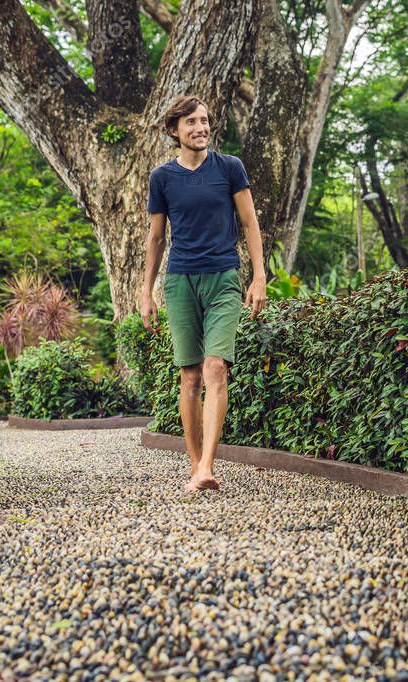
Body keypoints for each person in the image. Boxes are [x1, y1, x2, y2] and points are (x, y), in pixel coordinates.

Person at [140, 94, 267, 493]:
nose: (201, 128)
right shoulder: (162, 178)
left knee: (216, 368)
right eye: (191, 122)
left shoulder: (229, 168)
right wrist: (146, 291)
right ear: (174, 131)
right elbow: (157, 237)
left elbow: (249, 223)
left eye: (205, 120)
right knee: (190, 375)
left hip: (224, 277)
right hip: (180, 281)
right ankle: (195, 464)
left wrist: (259, 276)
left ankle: (208, 465)